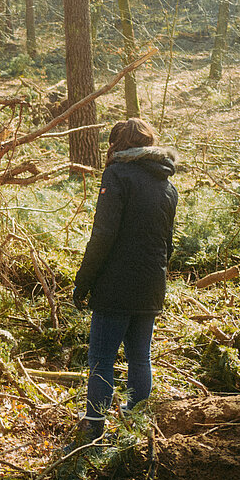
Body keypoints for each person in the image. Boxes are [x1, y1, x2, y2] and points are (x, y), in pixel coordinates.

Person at [71, 118, 178, 448]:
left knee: (101, 360)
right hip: (151, 285)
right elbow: (167, 243)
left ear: (119, 145)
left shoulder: (116, 175)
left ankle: (93, 434)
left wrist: (83, 282)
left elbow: (102, 235)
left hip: (115, 286)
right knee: (139, 358)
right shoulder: (166, 184)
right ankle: (134, 429)